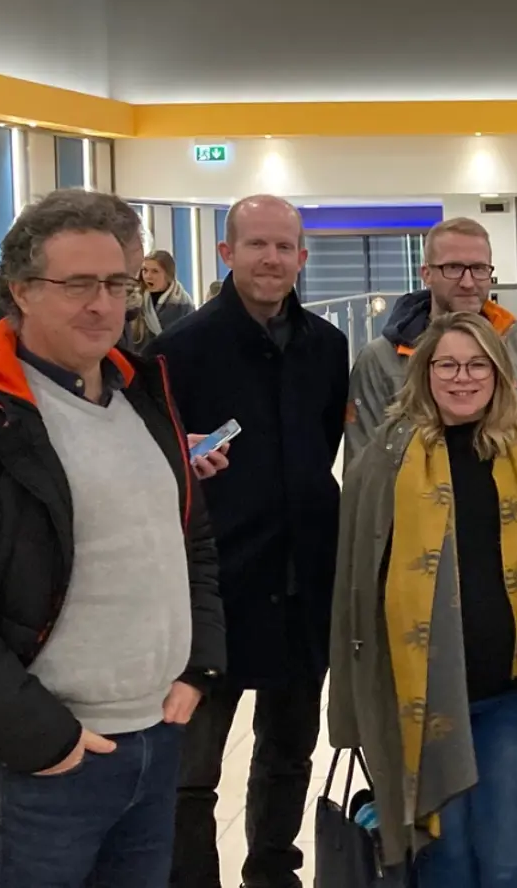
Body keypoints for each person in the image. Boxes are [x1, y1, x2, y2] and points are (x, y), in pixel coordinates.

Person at [0, 190, 224, 886]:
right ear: (20, 291)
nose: (102, 305)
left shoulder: (143, 398)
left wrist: (196, 665)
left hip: (154, 740)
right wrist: (43, 740)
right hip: (44, 765)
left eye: (116, 284)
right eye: (76, 284)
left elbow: (189, 542)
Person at [330, 312, 517, 887]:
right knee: (446, 855)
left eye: (478, 364)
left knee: (509, 853)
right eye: (448, 365)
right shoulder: (384, 460)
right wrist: (350, 705)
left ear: (500, 373)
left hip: (513, 687)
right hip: (422, 693)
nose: (463, 378)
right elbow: (353, 586)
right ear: (425, 373)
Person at [156, 195, 351, 888]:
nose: (271, 259)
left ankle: (272, 871)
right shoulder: (177, 350)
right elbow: (158, 466)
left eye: (284, 247)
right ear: (226, 253)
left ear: (302, 256)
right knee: (192, 769)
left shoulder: (327, 346)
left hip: (303, 581)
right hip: (215, 592)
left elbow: (322, 447)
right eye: (256, 245)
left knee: (289, 753)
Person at [345, 217, 517, 467]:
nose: (468, 282)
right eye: (453, 268)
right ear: (426, 274)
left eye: (479, 268)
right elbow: (362, 470)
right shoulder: (380, 359)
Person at [140, 250, 197, 331]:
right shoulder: (136, 300)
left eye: (155, 271)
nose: (148, 276)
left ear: (168, 275)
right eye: (145, 270)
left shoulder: (183, 304)